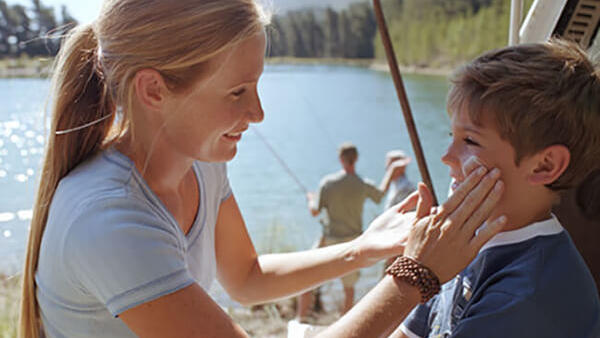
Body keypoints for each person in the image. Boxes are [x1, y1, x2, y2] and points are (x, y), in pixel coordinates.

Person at [17, 1, 505, 337]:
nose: (258, 113)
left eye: (256, 86)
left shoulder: (199, 163)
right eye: (237, 92)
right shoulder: (108, 220)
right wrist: (416, 274)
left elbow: (247, 278)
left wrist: (360, 249)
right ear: (153, 90)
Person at [393, 39, 600, 338]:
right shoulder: (459, 244)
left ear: (545, 166)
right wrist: (413, 264)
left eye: (470, 141)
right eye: (453, 134)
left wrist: (411, 273)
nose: (446, 156)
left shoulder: (530, 294)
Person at [297, 142, 404, 319]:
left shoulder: (328, 183)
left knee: (306, 279)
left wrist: (310, 199)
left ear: (341, 159)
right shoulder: (362, 184)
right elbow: (379, 196)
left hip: (329, 240)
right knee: (349, 289)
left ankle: (300, 319)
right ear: (356, 159)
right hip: (353, 242)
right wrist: (390, 172)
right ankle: (345, 326)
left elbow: (315, 211)